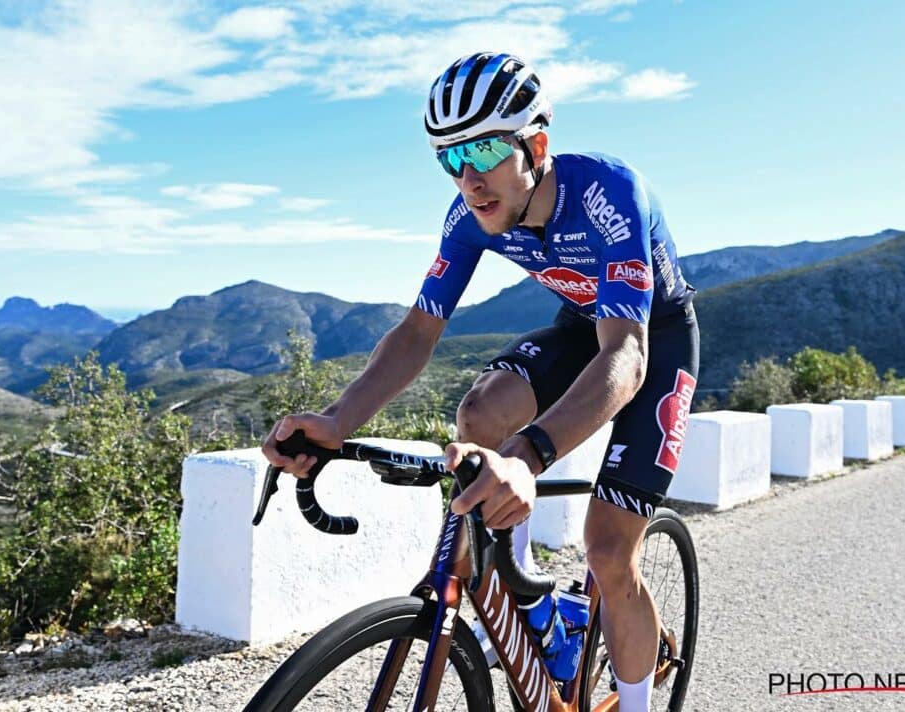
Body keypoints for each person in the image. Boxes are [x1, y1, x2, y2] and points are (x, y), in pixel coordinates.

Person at [263, 51, 698, 712]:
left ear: (536, 146)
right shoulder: (468, 215)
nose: (469, 179)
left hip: (651, 341)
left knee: (609, 552)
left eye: (486, 150)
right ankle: (531, 606)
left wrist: (528, 457)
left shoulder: (609, 195)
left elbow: (626, 356)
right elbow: (417, 333)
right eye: (449, 157)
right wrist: (336, 420)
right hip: (582, 325)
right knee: (480, 416)